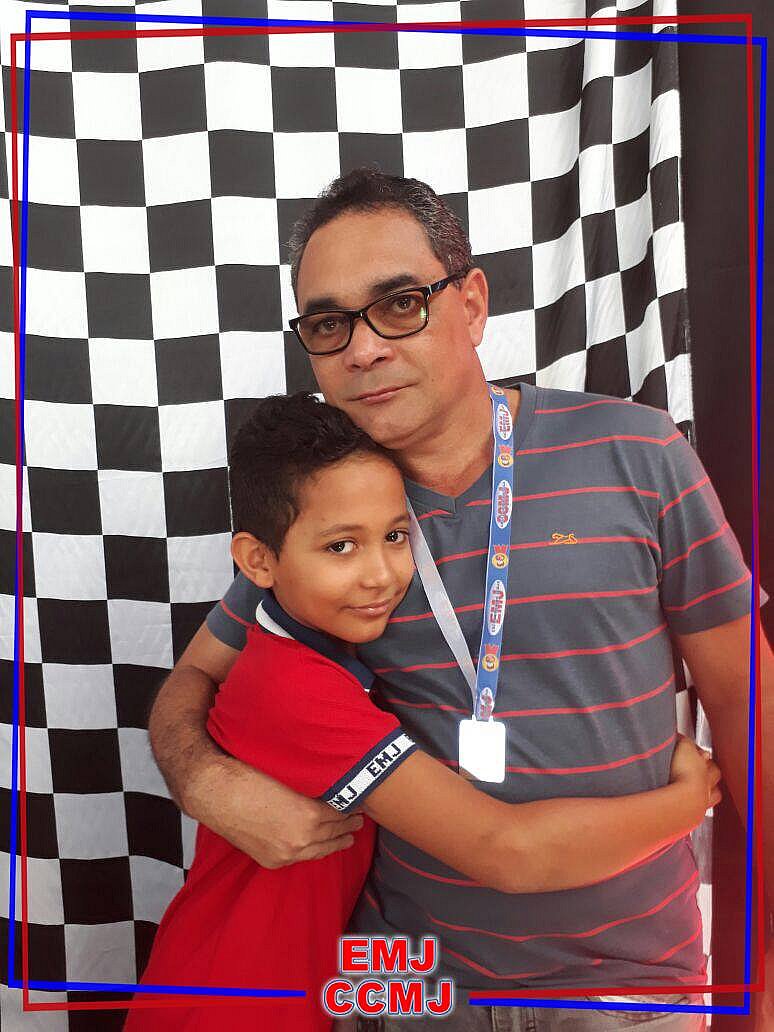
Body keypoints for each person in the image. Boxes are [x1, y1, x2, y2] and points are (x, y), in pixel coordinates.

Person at [148, 169, 773, 1031]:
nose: (363, 348)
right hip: (409, 988)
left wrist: (765, 972)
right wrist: (204, 783)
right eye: (329, 324)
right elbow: (193, 684)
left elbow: (747, 701)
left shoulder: (637, 453)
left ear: (472, 303)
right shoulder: (334, 514)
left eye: (400, 303)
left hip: (630, 986)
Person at [126, 393, 719, 1032]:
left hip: (312, 990)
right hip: (229, 1005)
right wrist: (688, 802)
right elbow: (508, 852)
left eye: (396, 536)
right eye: (341, 547)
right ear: (257, 562)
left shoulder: (312, 650)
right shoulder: (292, 690)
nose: (380, 574)